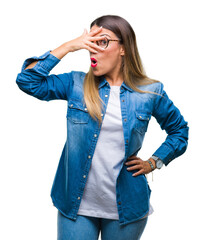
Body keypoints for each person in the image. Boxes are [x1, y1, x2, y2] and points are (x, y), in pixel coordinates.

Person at [16, 15, 189, 240]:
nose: (92, 49)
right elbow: (28, 81)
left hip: (127, 209)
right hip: (75, 207)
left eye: (102, 41)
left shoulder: (150, 92)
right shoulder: (76, 84)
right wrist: (69, 46)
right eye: (90, 42)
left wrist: (153, 162)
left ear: (124, 48)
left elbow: (180, 131)